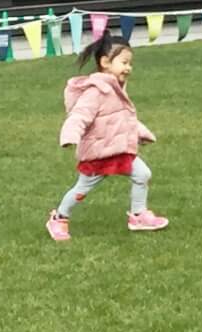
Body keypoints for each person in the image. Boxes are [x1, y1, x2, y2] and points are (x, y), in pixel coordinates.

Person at [47, 30, 165, 241]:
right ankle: (59, 218)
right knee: (81, 190)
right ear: (105, 62)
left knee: (142, 174)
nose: (128, 68)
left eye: (130, 63)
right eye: (124, 62)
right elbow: (79, 116)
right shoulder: (96, 91)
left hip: (119, 149)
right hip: (98, 153)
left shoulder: (117, 89)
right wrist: (69, 136)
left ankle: (138, 215)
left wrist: (142, 133)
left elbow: (123, 119)